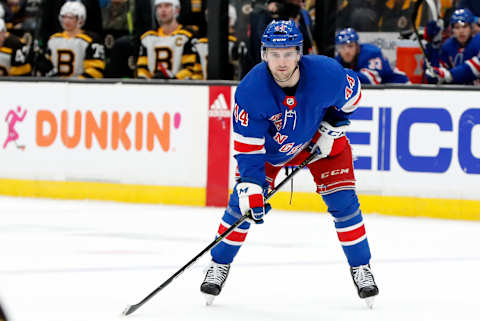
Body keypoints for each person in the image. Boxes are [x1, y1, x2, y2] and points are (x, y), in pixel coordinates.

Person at [200, 20, 379, 308]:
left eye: (287, 53)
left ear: (299, 53)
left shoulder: (327, 73)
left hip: (323, 145)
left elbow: (354, 96)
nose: (281, 62)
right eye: (274, 53)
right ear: (263, 54)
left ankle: (361, 267)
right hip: (272, 154)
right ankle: (219, 264)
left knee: (344, 204)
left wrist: (332, 126)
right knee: (241, 207)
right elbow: (249, 150)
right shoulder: (250, 92)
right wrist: (251, 186)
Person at [135, 0, 202, 80]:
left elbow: (192, 69)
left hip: (181, 88)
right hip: (152, 88)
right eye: (159, 7)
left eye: (167, 6)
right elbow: (142, 69)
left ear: (177, 10)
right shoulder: (147, 37)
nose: (163, 10)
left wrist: (172, 79)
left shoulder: (187, 36)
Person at [43, 1, 105, 78]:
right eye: (64, 17)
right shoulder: (53, 39)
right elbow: (47, 67)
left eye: (71, 17)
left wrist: (78, 84)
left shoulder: (91, 40)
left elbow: (96, 71)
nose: (66, 21)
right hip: (57, 86)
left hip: (82, 87)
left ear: (81, 19)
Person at [335, 27, 410, 84]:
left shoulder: (372, 53)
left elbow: (370, 79)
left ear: (357, 46)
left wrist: (340, 76)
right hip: (380, 91)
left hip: (399, 86)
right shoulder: (339, 58)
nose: (346, 51)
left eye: (350, 46)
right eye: (342, 47)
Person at [425, 8, 480, 84]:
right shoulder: (448, 46)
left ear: (471, 28)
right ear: (452, 30)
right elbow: (438, 71)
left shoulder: (478, 41)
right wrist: (433, 46)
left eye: (464, 26)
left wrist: (450, 75)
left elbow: (477, 65)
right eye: (457, 27)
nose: (461, 31)